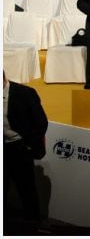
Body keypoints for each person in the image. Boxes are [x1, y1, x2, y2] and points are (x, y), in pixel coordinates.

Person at [3, 72, 48, 225]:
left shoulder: (24, 94)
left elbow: (41, 123)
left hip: (19, 148)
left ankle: (33, 226)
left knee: (26, 190)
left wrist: (29, 145)